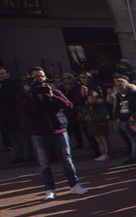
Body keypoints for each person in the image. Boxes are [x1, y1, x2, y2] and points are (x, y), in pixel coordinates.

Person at [19, 68, 87, 200]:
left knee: (66, 159)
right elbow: (22, 111)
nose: (40, 78)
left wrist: (52, 96)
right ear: (29, 77)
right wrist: (28, 94)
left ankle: (74, 185)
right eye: (36, 76)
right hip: (38, 132)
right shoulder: (23, 94)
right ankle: (49, 189)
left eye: (41, 76)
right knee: (44, 163)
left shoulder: (53, 90)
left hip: (58, 129)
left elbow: (68, 106)